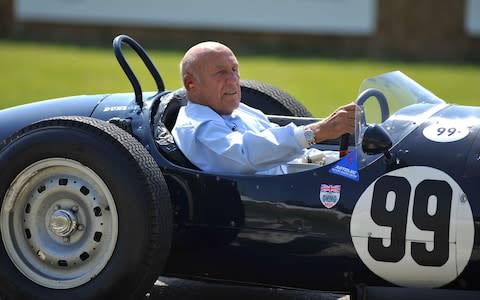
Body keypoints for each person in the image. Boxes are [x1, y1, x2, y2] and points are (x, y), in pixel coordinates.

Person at [172, 41, 356, 175]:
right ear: (191, 83)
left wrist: (337, 159)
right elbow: (244, 155)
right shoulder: (197, 127)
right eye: (221, 73)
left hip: (297, 184)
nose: (233, 80)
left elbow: (291, 152)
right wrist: (318, 131)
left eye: (234, 70)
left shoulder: (242, 111)